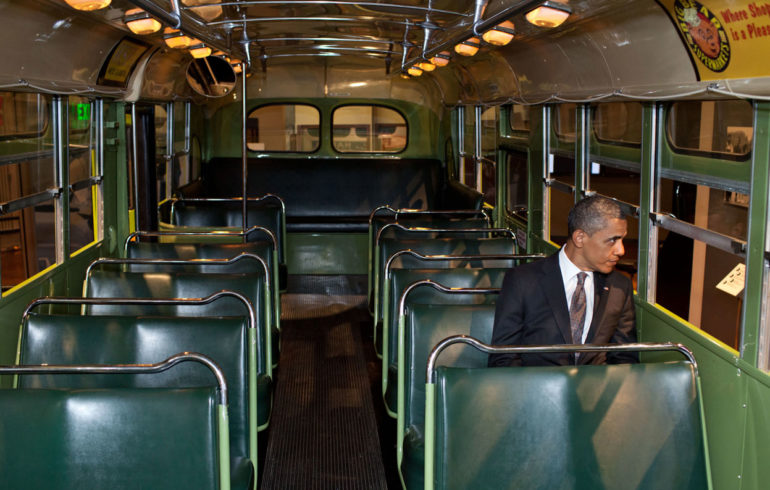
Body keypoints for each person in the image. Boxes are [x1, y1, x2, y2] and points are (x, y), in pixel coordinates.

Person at [488, 196, 638, 366]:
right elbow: (503, 357)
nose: (621, 250)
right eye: (612, 240)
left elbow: (625, 358)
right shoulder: (523, 281)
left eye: (622, 239)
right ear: (580, 238)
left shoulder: (620, 286)